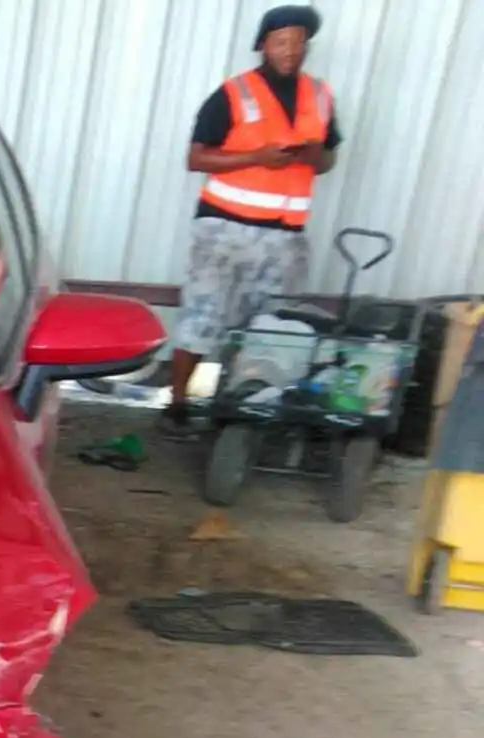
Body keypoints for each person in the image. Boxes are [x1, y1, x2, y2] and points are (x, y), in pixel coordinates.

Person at [160, 4, 342, 438]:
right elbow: (196, 157)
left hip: (285, 237)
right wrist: (257, 158)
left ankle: (244, 407)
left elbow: (330, 158)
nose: (292, 51)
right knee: (203, 318)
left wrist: (317, 156)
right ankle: (178, 403)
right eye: (282, 42)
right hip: (223, 230)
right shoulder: (233, 93)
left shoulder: (320, 96)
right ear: (263, 44)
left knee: (272, 327)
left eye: (299, 43)